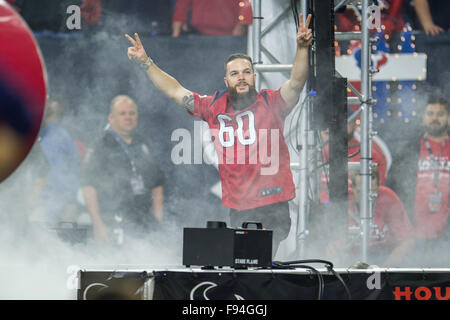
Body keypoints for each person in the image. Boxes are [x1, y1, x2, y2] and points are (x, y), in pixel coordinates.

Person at [125, 13, 312, 256]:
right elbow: (174, 90)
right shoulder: (213, 105)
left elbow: (296, 83)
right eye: (235, 74)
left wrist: (302, 48)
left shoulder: (271, 102)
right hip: (239, 206)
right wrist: (146, 63)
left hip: (272, 202)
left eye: (246, 72)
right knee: (243, 267)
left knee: (258, 261)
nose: (241, 77)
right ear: (226, 80)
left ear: (254, 77)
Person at [81, 95, 165, 245]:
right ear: (111, 118)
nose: (128, 117)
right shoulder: (100, 146)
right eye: (123, 113)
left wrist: (157, 217)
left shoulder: (143, 144)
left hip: (144, 222)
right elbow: (88, 187)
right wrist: (98, 224)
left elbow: (157, 183)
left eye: (132, 113)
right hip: (112, 220)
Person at [387, 93, 450, 265]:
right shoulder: (408, 150)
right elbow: (392, 190)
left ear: (448, 119)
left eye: (440, 114)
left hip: (446, 237)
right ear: (423, 118)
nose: (435, 118)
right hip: (412, 235)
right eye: (430, 114)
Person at [346, 168, 415, 267]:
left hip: (384, 259)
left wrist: (383, 272)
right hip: (351, 262)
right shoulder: (344, 200)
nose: (366, 198)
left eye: (371, 192)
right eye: (360, 191)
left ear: (379, 187)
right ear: (352, 187)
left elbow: (407, 242)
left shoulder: (388, 199)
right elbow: (331, 243)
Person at [32, 97, 81, 227]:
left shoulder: (51, 138)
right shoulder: (60, 135)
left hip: (50, 206)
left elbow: (47, 175)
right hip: (63, 203)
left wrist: (34, 202)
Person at [171, 0, 252, 37]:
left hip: (231, 34)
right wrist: (179, 19)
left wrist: (242, 23)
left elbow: (249, 2)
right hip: (199, 33)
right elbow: (182, 4)